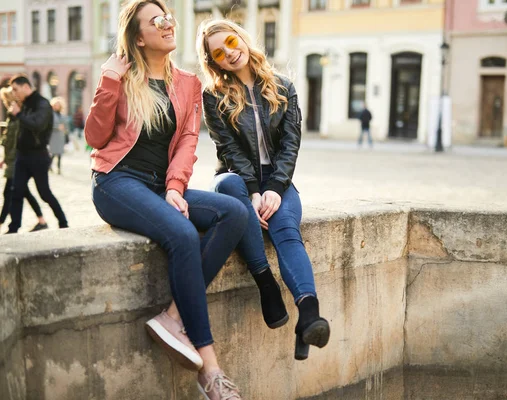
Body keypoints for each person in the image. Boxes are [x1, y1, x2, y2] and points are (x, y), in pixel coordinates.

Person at [85, 2, 248, 399]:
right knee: (182, 233)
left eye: (169, 16)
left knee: (234, 213)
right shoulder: (120, 76)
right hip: (115, 182)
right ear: (139, 37)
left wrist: (176, 186)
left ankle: (173, 317)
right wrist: (109, 81)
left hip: (160, 186)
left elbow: (190, 140)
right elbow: (94, 136)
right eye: (157, 21)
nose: (168, 23)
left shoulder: (188, 82)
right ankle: (210, 372)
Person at [198, 19, 330, 361]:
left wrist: (273, 188)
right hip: (234, 178)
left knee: (286, 229)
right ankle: (264, 283)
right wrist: (254, 191)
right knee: (229, 185)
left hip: (279, 181)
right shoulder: (213, 96)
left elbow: (291, 145)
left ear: (241, 38)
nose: (229, 52)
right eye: (218, 52)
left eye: (231, 41)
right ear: (213, 62)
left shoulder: (284, 87)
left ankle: (309, 315)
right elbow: (228, 148)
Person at [6, 74, 68, 234]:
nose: (13, 93)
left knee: (44, 193)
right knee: (16, 191)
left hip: (38, 156)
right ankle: (13, 228)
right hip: (22, 156)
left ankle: (63, 222)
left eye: (15, 89)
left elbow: (37, 125)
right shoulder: (24, 104)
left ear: (26, 87)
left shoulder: (42, 104)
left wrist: (19, 114)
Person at [0, 86, 48, 232]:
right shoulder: (12, 115)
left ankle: (7, 224)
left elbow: (14, 141)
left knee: (10, 193)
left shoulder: (18, 116)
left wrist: (10, 159)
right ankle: (41, 220)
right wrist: (4, 159)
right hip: (12, 160)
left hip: (17, 161)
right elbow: (9, 141)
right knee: (22, 192)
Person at [49, 97, 67, 174]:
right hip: (53, 136)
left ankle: (59, 168)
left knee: (60, 154)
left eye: (59, 105)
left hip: (60, 137)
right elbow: (49, 125)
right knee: (53, 153)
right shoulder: (50, 114)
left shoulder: (62, 115)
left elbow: (65, 126)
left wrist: (66, 134)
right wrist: (57, 127)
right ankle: (49, 166)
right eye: (56, 104)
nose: (57, 106)